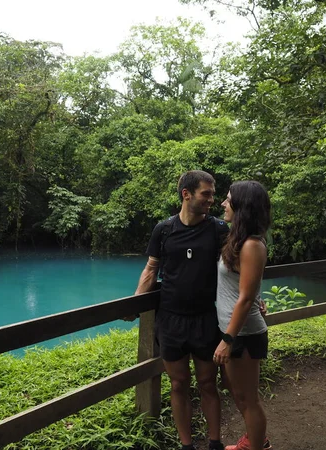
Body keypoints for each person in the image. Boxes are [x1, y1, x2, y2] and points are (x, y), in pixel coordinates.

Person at [134, 170, 228, 450]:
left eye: (213, 194)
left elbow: (234, 269)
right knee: (178, 384)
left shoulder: (218, 230)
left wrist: (254, 297)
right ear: (186, 194)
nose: (212, 200)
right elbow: (152, 268)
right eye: (206, 194)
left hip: (205, 318)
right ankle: (186, 445)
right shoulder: (164, 230)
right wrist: (137, 303)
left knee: (208, 383)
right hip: (171, 320)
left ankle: (214, 443)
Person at [213, 181, 273, 450]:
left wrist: (228, 339)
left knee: (248, 399)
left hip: (243, 334)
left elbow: (246, 297)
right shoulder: (240, 241)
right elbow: (248, 288)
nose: (223, 204)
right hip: (238, 331)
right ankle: (254, 441)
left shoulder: (251, 245)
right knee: (240, 395)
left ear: (243, 206)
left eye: (228, 200)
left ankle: (257, 446)